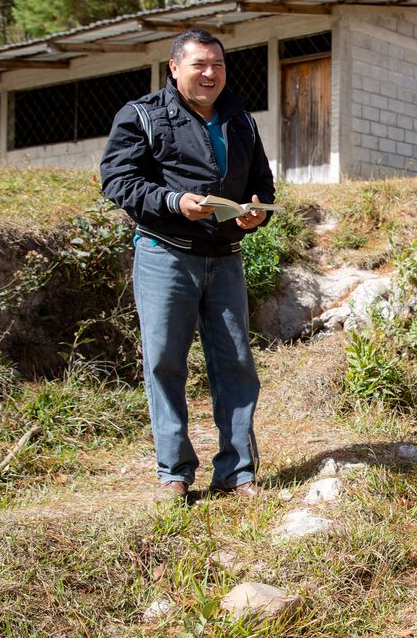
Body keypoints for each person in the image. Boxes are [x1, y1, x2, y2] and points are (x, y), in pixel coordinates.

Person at [100, 28, 275, 503]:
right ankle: (174, 473)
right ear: (174, 68)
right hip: (165, 253)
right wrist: (176, 201)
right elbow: (118, 181)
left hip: (225, 256)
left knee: (236, 363)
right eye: (199, 64)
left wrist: (256, 212)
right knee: (164, 362)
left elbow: (261, 182)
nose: (210, 73)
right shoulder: (141, 115)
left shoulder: (241, 119)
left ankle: (237, 473)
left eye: (217, 65)